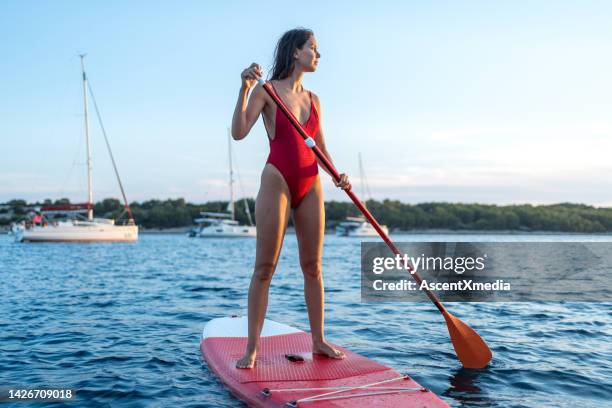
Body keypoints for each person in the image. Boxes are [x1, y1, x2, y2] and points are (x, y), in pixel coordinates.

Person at [231, 28, 351, 369]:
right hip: (277, 180)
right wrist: (245, 89)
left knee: (313, 267)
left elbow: (321, 148)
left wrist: (337, 175)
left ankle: (319, 340)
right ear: (295, 53)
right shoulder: (267, 91)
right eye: (313, 48)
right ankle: (251, 347)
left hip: (311, 181)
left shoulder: (314, 100)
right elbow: (239, 132)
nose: (318, 54)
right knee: (265, 268)